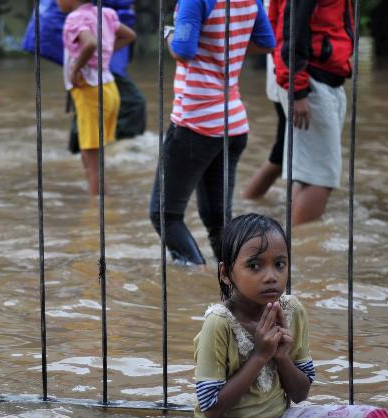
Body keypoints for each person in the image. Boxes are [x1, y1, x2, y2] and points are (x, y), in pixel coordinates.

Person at [193, 214, 388, 418]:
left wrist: (281, 357)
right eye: (255, 266)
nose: (271, 276)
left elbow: (300, 394)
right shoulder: (219, 322)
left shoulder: (291, 311)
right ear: (225, 274)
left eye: (279, 264)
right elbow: (211, 409)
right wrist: (259, 356)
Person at [151, 0, 274, 268]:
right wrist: (224, 50)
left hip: (195, 122)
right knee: (219, 220)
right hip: (233, 122)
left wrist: (168, 33)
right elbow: (266, 43)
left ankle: (196, 279)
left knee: (164, 214)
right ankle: (233, 285)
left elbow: (183, 50)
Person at [22, 0, 147, 154]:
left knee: (87, 95)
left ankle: (82, 150)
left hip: (83, 33)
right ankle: (105, 151)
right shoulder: (80, 16)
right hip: (80, 33)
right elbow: (92, 43)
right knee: (133, 102)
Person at [273, 0, 353, 225]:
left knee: (309, 175)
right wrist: (297, 89)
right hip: (310, 81)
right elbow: (292, 29)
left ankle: (290, 248)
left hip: (320, 78)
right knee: (321, 178)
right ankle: (297, 250)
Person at [57, 0, 135, 195]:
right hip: (108, 89)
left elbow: (90, 43)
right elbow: (129, 35)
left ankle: (96, 213)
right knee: (91, 157)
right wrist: (105, 53)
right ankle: (103, 204)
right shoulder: (105, 14)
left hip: (90, 92)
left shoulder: (75, 18)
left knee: (93, 165)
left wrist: (75, 70)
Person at [243, 0, 285, 199]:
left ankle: (249, 202)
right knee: (283, 154)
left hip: (286, 78)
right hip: (290, 80)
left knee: (283, 154)